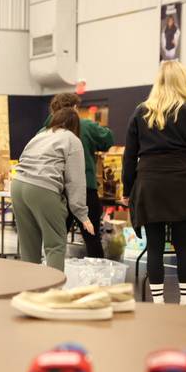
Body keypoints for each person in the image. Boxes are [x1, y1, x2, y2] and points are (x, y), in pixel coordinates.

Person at [122, 61, 186, 305]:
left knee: (154, 247)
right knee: (184, 247)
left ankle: (159, 303)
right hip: (183, 182)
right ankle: (184, 303)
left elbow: (129, 155)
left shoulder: (142, 111)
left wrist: (127, 188)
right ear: (184, 81)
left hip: (150, 183)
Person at [12, 108, 94, 271]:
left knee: (29, 247)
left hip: (17, 185)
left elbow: (23, 159)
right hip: (42, 187)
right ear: (75, 124)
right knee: (55, 245)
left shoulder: (40, 135)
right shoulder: (72, 139)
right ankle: (53, 294)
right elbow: (76, 179)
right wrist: (82, 214)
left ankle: (31, 292)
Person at [40, 93, 114, 258]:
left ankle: (51, 275)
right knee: (92, 238)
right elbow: (108, 139)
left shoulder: (44, 131)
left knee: (56, 240)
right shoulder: (86, 125)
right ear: (74, 108)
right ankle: (97, 279)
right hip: (84, 189)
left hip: (56, 191)